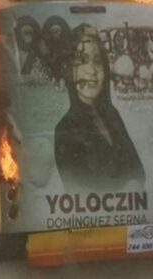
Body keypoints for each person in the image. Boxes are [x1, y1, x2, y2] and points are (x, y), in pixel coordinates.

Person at [55, 25, 145, 192]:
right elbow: (78, 192)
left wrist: (133, 185)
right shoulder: (64, 129)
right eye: (82, 60)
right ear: (69, 70)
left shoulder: (112, 115)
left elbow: (138, 171)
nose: (93, 71)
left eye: (98, 61)